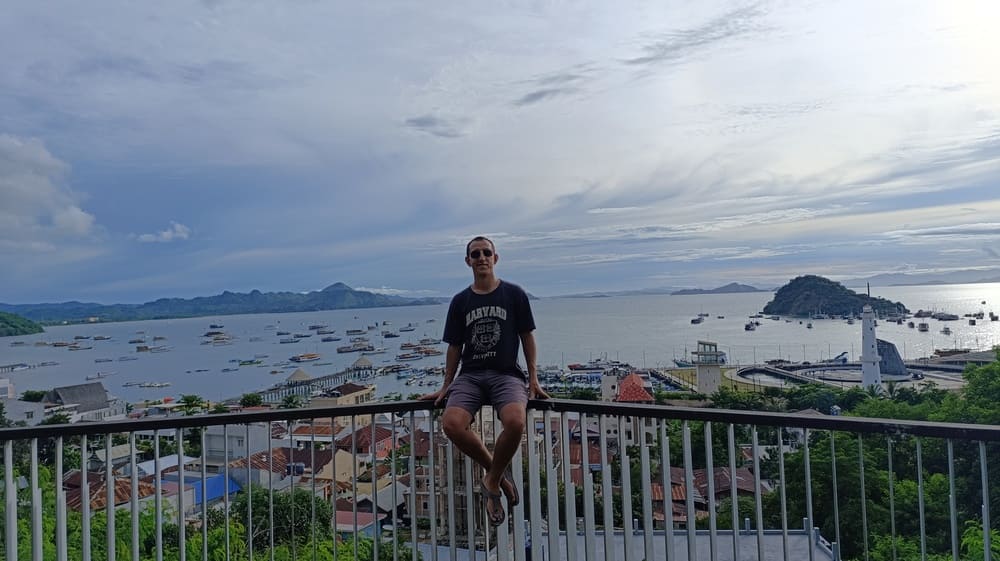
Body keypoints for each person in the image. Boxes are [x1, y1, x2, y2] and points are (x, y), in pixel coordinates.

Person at [421, 235, 549, 527]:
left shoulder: (514, 294)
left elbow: (527, 336)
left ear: (496, 258)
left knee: (516, 422)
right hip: (471, 376)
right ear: (468, 261)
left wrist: (534, 378)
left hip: (506, 374)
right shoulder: (460, 301)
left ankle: (490, 481)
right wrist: (446, 384)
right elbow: (454, 347)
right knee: (451, 424)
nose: (481, 258)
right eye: (475, 254)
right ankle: (495, 474)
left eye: (486, 253)